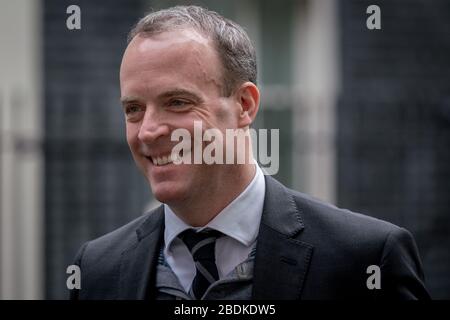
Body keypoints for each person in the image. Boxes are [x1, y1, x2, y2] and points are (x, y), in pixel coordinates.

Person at [70, 5, 429, 300]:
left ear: (244, 105)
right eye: (133, 109)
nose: (148, 130)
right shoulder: (97, 271)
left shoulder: (366, 260)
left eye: (177, 102)